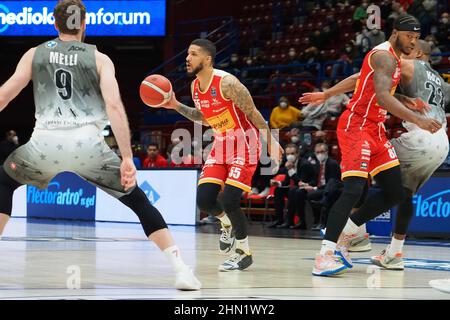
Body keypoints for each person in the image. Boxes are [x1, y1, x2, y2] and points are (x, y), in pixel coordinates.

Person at [0, 0, 200, 290]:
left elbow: (5, 95)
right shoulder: (100, 59)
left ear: (55, 25)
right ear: (84, 25)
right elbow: (114, 107)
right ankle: (180, 268)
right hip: (88, 148)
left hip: (44, 146)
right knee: (138, 200)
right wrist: (128, 157)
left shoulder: (34, 54)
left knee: (4, 184)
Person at [299, 15, 441, 276]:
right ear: (395, 32)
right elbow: (384, 97)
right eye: (409, 36)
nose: (413, 41)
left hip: (375, 129)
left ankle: (350, 232)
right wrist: (418, 120)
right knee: (352, 189)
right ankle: (325, 255)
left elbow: (359, 78)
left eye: (416, 38)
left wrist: (327, 93)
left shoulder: (393, 59)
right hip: (356, 127)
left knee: (395, 192)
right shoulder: (384, 56)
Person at [161, 39, 282, 271]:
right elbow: (204, 118)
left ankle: (243, 252)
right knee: (204, 199)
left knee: (229, 200)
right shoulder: (195, 87)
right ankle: (226, 223)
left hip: (245, 144)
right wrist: (176, 105)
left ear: (207, 59)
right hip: (221, 145)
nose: (187, 58)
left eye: (194, 54)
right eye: (188, 53)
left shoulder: (227, 83)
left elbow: (253, 112)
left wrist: (271, 141)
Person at [268, 144, 316, 229]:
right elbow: (286, 182)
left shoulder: (304, 164)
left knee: (294, 191)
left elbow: (301, 183)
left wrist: (291, 170)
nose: (290, 156)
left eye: (292, 153)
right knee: (278, 191)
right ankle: (279, 219)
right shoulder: (288, 164)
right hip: (295, 189)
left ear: (297, 154)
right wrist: (278, 183)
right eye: (288, 154)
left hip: (307, 188)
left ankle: (297, 221)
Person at [295, 143, 341, 230]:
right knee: (300, 192)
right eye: (317, 152)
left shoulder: (332, 164)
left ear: (327, 152)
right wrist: (308, 185)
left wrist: (315, 188)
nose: (320, 154)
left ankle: (322, 222)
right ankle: (306, 221)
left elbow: (332, 183)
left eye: (322, 152)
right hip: (320, 188)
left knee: (314, 195)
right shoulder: (316, 164)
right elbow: (315, 180)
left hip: (331, 189)